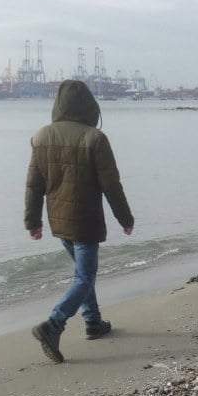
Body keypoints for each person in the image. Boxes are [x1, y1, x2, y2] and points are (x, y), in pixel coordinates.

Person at [24, 79, 134, 363]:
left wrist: (32, 222)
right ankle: (53, 325)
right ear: (89, 106)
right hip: (85, 220)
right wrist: (125, 217)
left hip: (58, 220)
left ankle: (93, 323)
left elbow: (33, 186)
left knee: (83, 275)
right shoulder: (95, 138)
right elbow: (111, 185)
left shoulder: (41, 136)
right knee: (84, 277)